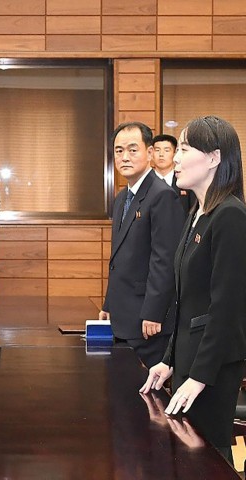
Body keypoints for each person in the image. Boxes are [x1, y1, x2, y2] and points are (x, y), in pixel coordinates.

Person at [140, 115, 246, 462]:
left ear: (214, 158)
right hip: (189, 360)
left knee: (209, 461)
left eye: (184, 149)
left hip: (212, 369)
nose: (175, 158)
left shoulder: (231, 215)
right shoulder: (196, 213)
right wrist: (168, 361)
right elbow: (188, 304)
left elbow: (227, 308)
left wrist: (199, 377)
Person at [100, 122, 185, 368]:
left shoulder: (162, 195)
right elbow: (119, 258)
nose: (124, 157)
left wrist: (154, 313)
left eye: (132, 149)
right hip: (123, 316)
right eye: (119, 151)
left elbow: (165, 260)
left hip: (148, 322)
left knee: (146, 390)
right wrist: (109, 304)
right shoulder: (122, 198)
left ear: (149, 153)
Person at [152, 133, 194, 213]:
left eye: (166, 150)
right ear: (151, 154)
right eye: (157, 150)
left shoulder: (187, 182)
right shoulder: (144, 182)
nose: (161, 154)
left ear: (175, 154)